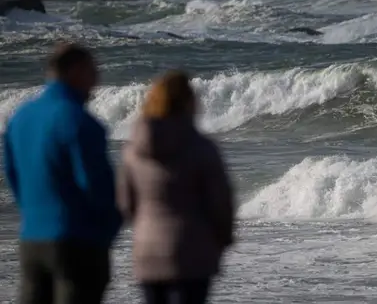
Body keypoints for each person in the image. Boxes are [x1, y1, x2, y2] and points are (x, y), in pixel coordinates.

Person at [3, 43, 122, 304]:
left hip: (32, 241)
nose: (96, 80)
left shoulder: (20, 118)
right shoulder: (79, 121)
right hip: (76, 242)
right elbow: (97, 187)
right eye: (93, 71)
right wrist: (108, 231)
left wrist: (34, 216)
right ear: (76, 71)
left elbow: (12, 174)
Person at [117, 70, 235, 304]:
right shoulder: (202, 148)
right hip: (192, 253)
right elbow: (220, 203)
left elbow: (125, 204)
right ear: (188, 102)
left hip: (148, 252)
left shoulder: (133, 151)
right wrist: (223, 240)